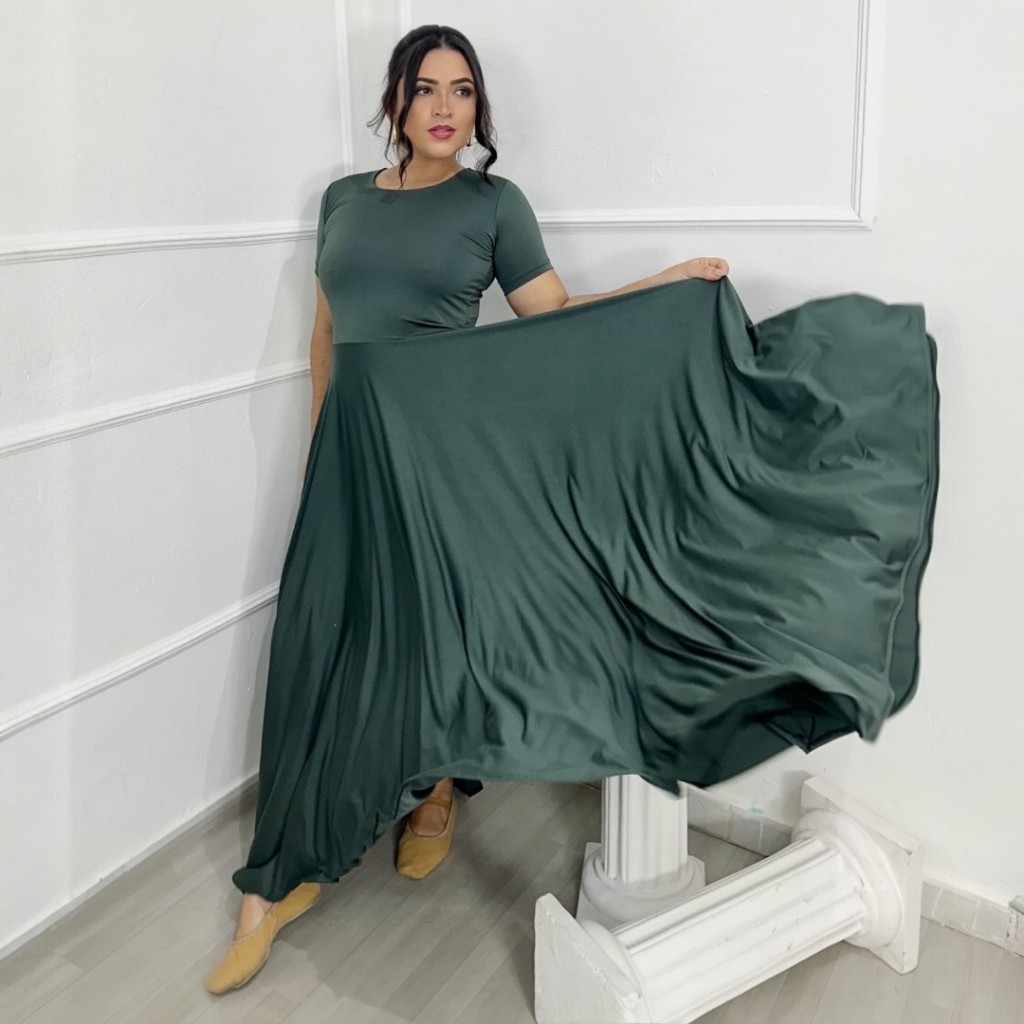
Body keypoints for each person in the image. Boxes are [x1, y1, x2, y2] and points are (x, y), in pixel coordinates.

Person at [203, 24, 731, 994]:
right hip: (351, 454)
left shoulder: (494, 204)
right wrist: (321, 443)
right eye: (425, 88)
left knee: (434, 629)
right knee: (320, 638)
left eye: (462, 90)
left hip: (440, 452)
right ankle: (275, 872)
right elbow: (327, 334)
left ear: (478, 107)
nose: (445, 107)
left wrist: (659, 287)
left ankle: (435, 789)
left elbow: (552, 319)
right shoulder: (341, 201)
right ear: (395, 102)